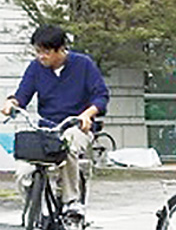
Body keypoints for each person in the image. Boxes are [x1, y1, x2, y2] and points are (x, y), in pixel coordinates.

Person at [1, 25, 109, 216]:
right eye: (38, 51)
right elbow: (22, 95)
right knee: (23, 169)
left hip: (76, 126)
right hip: (48, 129)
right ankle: (35, 211)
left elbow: (101, 96)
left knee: (67, 144)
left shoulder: (83, 64)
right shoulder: (36, 68)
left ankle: (71, 201)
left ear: (61, 50)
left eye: (46, 52)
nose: (41, 56)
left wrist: (87, 114)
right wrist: (11, 103)